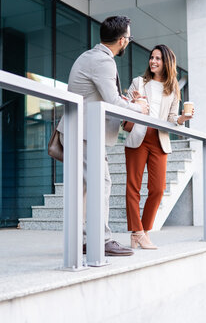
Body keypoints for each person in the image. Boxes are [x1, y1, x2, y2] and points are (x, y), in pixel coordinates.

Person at [57, 16, 149, 256]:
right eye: (128, 38)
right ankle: (101, 240)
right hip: (85, 134)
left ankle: (84, 239)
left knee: (86, 187)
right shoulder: (103, 61)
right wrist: (140, 108)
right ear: (122, 41)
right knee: (101, 182)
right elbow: (112, 101)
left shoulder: (90, 56)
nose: (128, 42)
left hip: (79, 131)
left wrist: (129, 101)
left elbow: (99, 95)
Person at [124, 44, 194, 249]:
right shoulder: (138, 82)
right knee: (133, 187)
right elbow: (125, 106)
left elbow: (172, 118)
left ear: (166, 63)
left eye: (158, 59)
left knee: (157, 188)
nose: (153, 61)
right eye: (151, 57)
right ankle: (137, 231)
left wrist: (183, 117)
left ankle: (143, 231)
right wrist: (134, 102)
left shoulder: (172, 90)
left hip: (159, 140)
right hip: (138, 136)